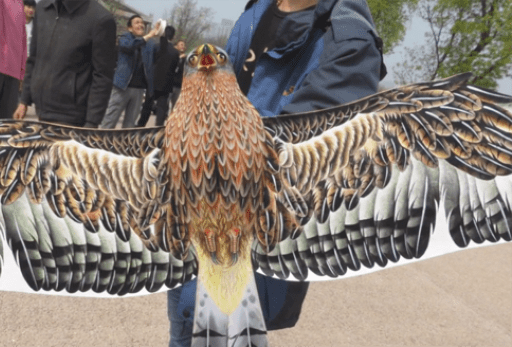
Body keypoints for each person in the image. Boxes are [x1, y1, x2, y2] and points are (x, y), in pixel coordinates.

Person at [166, 0, 387, 345]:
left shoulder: (350, 41)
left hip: (251, 241)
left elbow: (307, 161)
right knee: (183, 323)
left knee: (225, 332)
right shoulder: (259, 9)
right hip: (193, 219)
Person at [13, 0, 116, 128]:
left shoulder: (100, 19)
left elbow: (103, 76)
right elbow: (34, 58)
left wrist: (92, 123)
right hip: (41, 110)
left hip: (72, 117)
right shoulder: (43, 8)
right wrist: (24, 100)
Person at [99, 15, 164, 129]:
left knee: (129, 125)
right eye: (137, 22)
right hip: (122, 86)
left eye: (142, 23)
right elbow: (129, 47)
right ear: (130, 28)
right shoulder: (125, 37)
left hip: (139, 90)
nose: (141, 24)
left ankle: (122, 146)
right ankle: (100, 144)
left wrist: (160, 33)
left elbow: (163, 55)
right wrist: (148, 36)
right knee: (110, 120)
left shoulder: (150, 43)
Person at [136, 26, 180, 127]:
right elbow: (175, 68)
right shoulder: (175, 52)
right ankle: (158, 128)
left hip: (153, 81)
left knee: (147, 105)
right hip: (166, 83)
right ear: (173, 37)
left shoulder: (156, 46)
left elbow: (150, 63)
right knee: (162, 107)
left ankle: (140, 126)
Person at [169, 40, 186, 112]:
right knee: (165, 104)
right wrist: (179, 58)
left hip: (179, 85)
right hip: (170, 84)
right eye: (181, 44)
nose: (183, 46)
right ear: (176, 46)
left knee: (176, 106)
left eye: (183, 45)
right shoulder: (172, 56)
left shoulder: (186, 59)